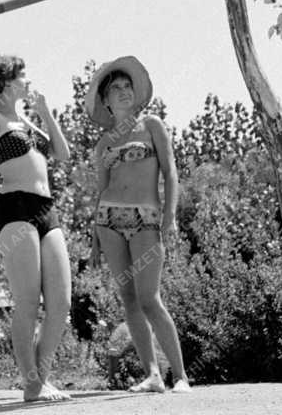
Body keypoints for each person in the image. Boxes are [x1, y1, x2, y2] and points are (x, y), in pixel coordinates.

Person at [0, 17, 72, 402]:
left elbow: (63, 155)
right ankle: (32, 382)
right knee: (28, 301)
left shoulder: (24, 120)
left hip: (46, 208)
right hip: (14, 209)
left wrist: (46, 114)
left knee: (61, 303)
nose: (29, 81)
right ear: (6, 83)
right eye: (23, 77)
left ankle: (40, 378)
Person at [86, 57, 191, 393]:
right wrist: (94, 241)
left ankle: (182, 376)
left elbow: (171, 172)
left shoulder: (152, 126)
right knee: (128, 299)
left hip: (146, 218)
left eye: (127, 86)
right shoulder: (104, 143)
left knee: (150, 298)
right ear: (105, 100)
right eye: (115, 88)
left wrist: (170, 216)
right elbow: (101, 191)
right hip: (108, 221)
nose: (123, 91)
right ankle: (153, 376)